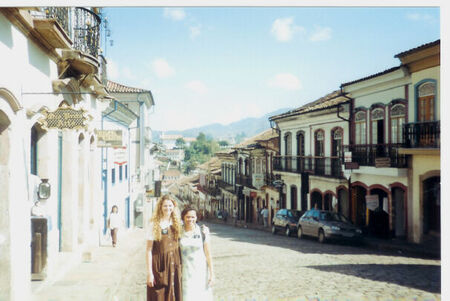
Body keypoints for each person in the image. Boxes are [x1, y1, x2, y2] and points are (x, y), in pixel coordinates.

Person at [146, 195, 183, 301]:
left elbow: (191, 227)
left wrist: (204, 231)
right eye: (165, 206)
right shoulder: (154, 224)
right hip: (159, 265)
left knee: (175, 294)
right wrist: (150, 273)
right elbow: (148, 250)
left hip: (175, 264)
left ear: (174, 206)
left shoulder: (177, 223)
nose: (168, 208)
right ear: (160, 207)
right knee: (159, 295)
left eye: (170, 205)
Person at [180, 207, 214, 301]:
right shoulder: (178, 232)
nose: (190, 219)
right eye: (187, 217)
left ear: (196, 218)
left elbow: (208, 254)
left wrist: (212, 274)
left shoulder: (203, 231)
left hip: (200, 271)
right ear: (183, 217)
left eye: (192, 217)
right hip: (184, 273)